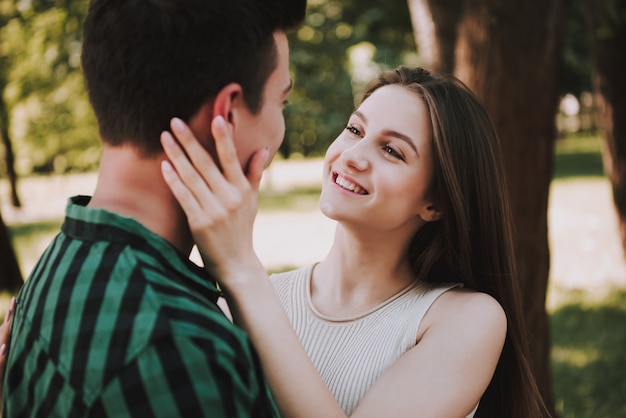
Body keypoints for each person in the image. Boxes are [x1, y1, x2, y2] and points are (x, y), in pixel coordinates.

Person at [160, 66, 549, 417]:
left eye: (391, 150)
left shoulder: (466, 319)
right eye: (354, 130)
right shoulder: (246, 305)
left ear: (436, 202)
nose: (352, 156)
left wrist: (241, 268)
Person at [2, 0, 305, 416]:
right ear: (227, 114)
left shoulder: (51, 269)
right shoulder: (180, 346)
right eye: (281, 102)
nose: (280, 128)